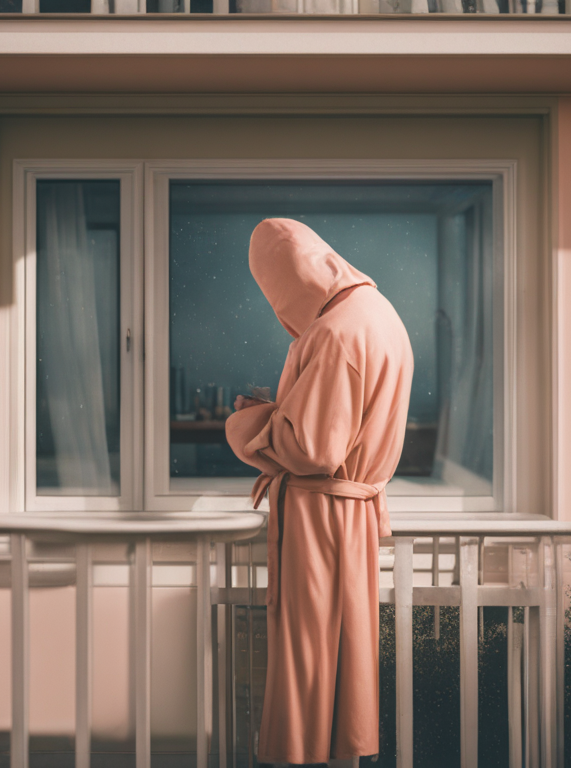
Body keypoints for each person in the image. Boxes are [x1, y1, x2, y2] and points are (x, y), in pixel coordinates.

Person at [225, 218, 414, 764]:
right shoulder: (377, 313)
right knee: (344, 660)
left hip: (321, 517)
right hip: (349, 513)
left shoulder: (334, 333)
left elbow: (310, 449)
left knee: (309, 665)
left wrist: (250, 420)